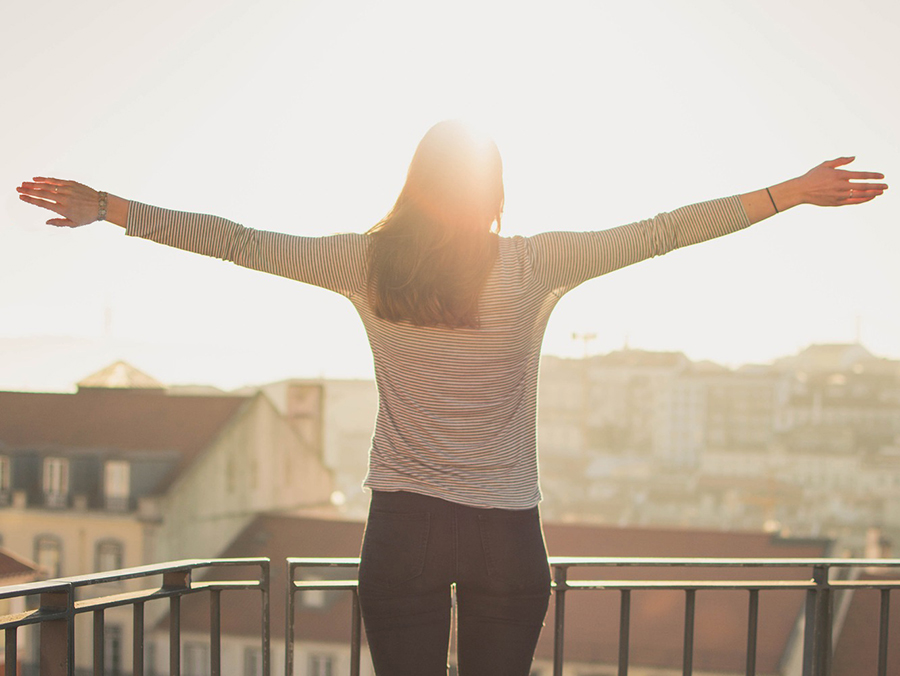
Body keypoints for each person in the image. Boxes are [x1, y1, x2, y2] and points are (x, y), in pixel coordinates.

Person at [17, 121, 887, 675]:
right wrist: (789, 195)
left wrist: (114, 207)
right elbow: (661, 232)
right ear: (494, 192)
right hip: (508, 531)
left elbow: (241, 242)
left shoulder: (364, 263)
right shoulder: (533, 263)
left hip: (403, 529)